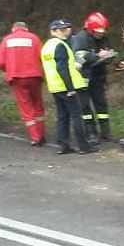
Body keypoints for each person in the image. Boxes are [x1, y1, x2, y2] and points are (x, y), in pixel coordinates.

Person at [41, 19, 96, 155]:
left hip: (54, 86)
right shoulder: (60, 45)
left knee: (62, 116)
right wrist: (70, 88)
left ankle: (63, 145)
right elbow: (62, 68)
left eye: (66, 29)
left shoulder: (46, 46)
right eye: (61, 29)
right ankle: (83, 146)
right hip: (66, 87)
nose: (65, 32)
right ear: (53, 31)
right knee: (76, 116)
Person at [0, 21, 46, 146]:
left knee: (26, 107)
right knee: (38, 105)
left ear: (13, 29)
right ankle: (41, 135)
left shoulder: (7, 40)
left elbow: (0, 61)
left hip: (16, 77)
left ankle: (35, 137)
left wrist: (8, 69)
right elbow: (43, 56)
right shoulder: (34, 38)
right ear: (26, 29)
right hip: (35, 76)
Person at [70, 11, 114, 143]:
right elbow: (78, 56)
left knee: (101, 105)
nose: (100, 34)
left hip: (98, 76)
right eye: (98, 31)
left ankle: (105, 133)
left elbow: (109, 51)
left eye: (102, 31)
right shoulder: (80, 38)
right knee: (85, 107)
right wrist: (97, 56)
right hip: (83, 77)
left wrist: (109, 56)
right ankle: (91, 133)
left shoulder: (103, 38)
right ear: (90, 29)